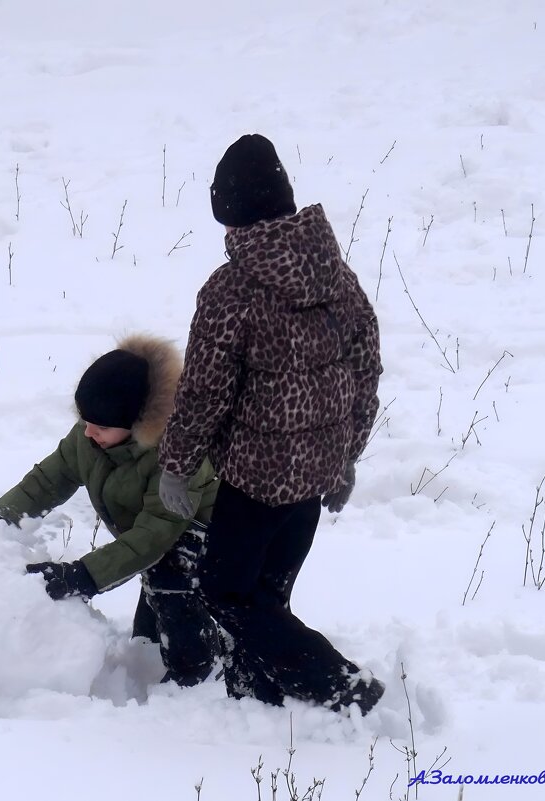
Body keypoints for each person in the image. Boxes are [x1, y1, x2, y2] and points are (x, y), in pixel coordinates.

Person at [157, 134, 384, 714]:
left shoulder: (231, 290)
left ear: (227, 208)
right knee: (268, 593)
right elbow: (366, 369)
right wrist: (346, 456)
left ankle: (340, 686)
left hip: (257, 481)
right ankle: (253, 690)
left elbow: (203, 391)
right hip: (316, 473)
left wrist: (178, 467)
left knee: (225, 592)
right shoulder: (337, 274)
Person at [0, 335, 220, 687]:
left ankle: (198, 672)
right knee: (149, 634)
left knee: (170, 580)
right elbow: (45, 482)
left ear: (136, 424)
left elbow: (154, 535)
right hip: (151, 535)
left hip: (203, 534)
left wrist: (83, 575)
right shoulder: (90, 436)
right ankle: (153, 653)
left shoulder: (176, 454)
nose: (88, 433)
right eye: (85, 421)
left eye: (100, 427)